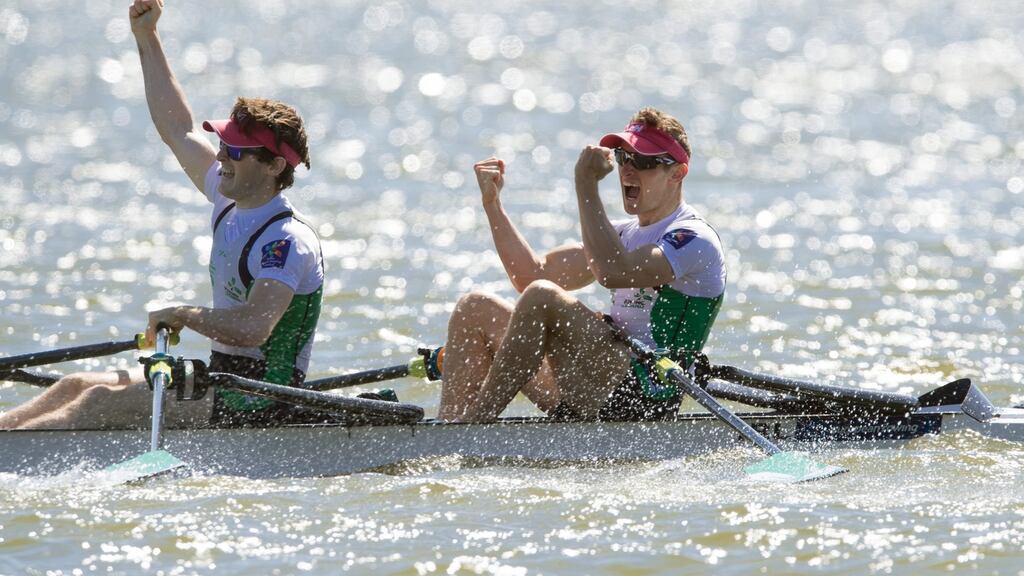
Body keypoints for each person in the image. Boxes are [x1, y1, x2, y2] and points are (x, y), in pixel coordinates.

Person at [0, 0, 324, 430]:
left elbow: (253, 329)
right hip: (226, 380)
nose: (222, 158)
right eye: (224, 146)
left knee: (96, 402)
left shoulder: (286, 241)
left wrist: (183, 314)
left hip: (261, 399)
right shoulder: (229, 198)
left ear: (274, 166)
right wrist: (147, 37)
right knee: (75, 384)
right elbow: (179, 130)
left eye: (236, 151)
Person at [438, 107, 726, 423]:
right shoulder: (619, 235)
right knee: (474, 307)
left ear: (677, 173)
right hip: (597, 383)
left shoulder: (693, 239)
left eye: (643, 162)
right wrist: (493, 206)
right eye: (622, 158)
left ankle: (475, 424)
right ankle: (448, 429)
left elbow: (614, 272)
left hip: (646, 398)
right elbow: (532, 273)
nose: (628, 170)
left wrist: (586, 183)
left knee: (542, 297)